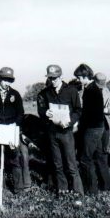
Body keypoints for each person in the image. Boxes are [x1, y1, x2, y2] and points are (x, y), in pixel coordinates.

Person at [37, 64, 84, 196]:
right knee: (57, 164)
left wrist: (70, 121)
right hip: (52, 132)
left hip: (66, 132)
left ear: (61, 77)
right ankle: (62, 190)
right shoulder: (45, 93)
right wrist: (45, 112)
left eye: (55, 78)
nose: (53, 81)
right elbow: (41, 110)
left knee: (71, 163)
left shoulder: (71, 91)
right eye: (50, 78)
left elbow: (78, 110)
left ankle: (77, 192)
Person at [74, 64, 110, 195]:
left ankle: (91, 189)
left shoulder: (90, 90)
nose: (78, 80)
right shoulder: (95, 88)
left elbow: (88, 113)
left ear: (85, 76)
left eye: (79, 77)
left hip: (92, 129)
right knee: (100, 156)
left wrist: (78, 124)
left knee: (85, 159)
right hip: (99, 127)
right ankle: (106, 185)